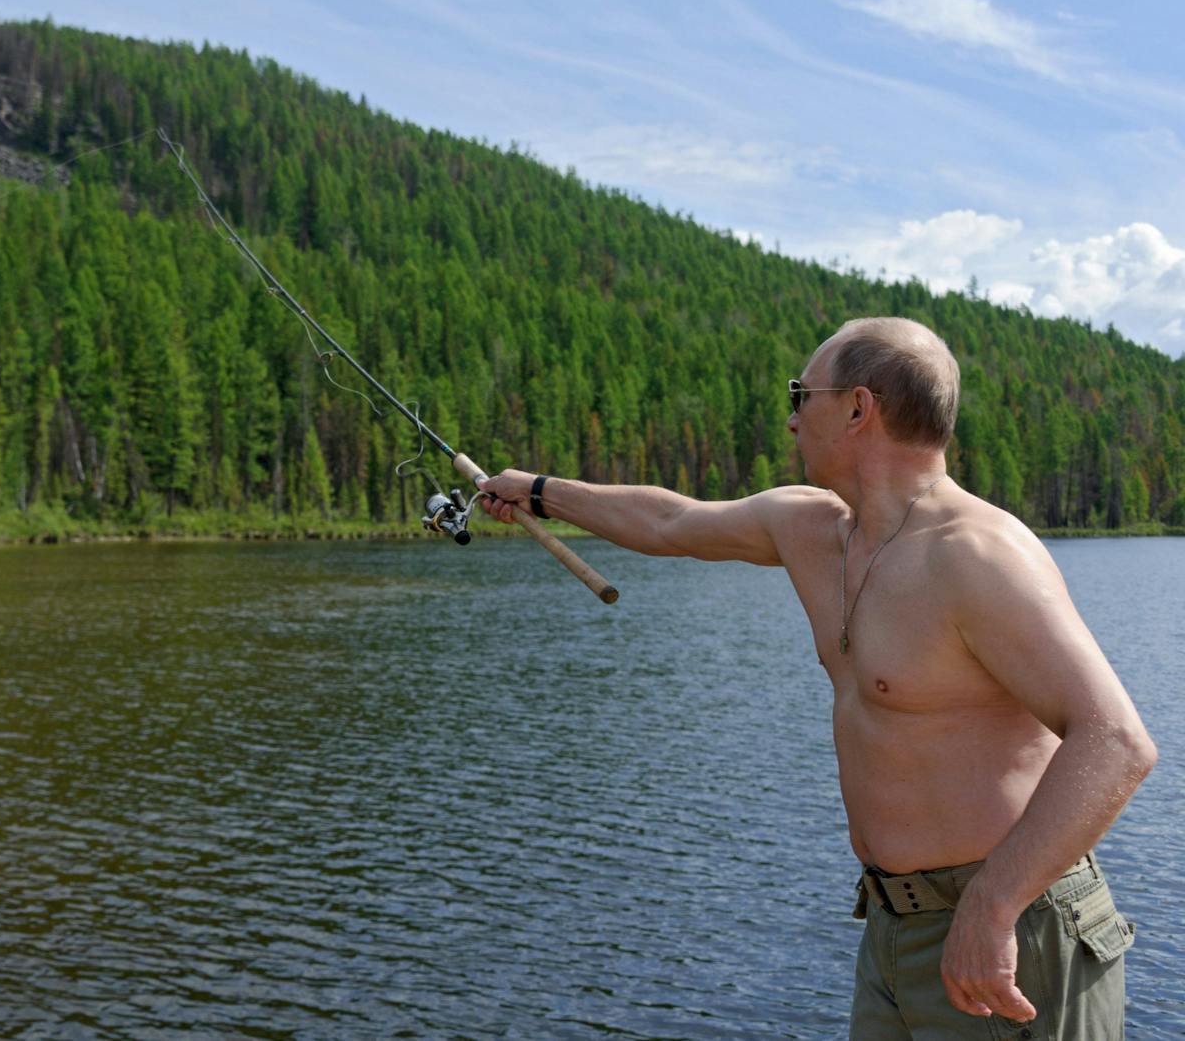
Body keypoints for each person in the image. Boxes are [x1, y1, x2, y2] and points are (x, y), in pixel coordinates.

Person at [481, 316, 1156, 1040]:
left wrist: (992, 906)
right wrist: (541, 491)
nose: (789, 417)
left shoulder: (975, 555)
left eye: (802, 395)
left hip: (1012, 925)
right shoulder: (809, 528)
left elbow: (1115, 740)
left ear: (859, 408)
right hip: (893, 929)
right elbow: (669, 521)